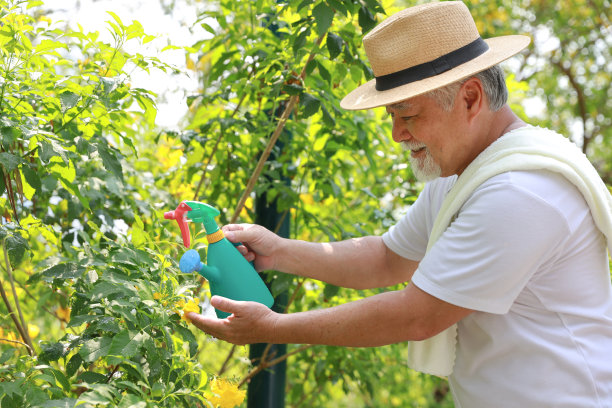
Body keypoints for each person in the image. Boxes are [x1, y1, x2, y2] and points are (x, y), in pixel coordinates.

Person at [187, 1, 612, 406]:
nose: (396, 134)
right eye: (391, 115)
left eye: (407, 115)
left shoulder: (520, 190)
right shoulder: (466, 176)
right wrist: (278, 251)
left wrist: (274, 327)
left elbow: (418, 314)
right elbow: (388, 259)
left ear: (470, 98)